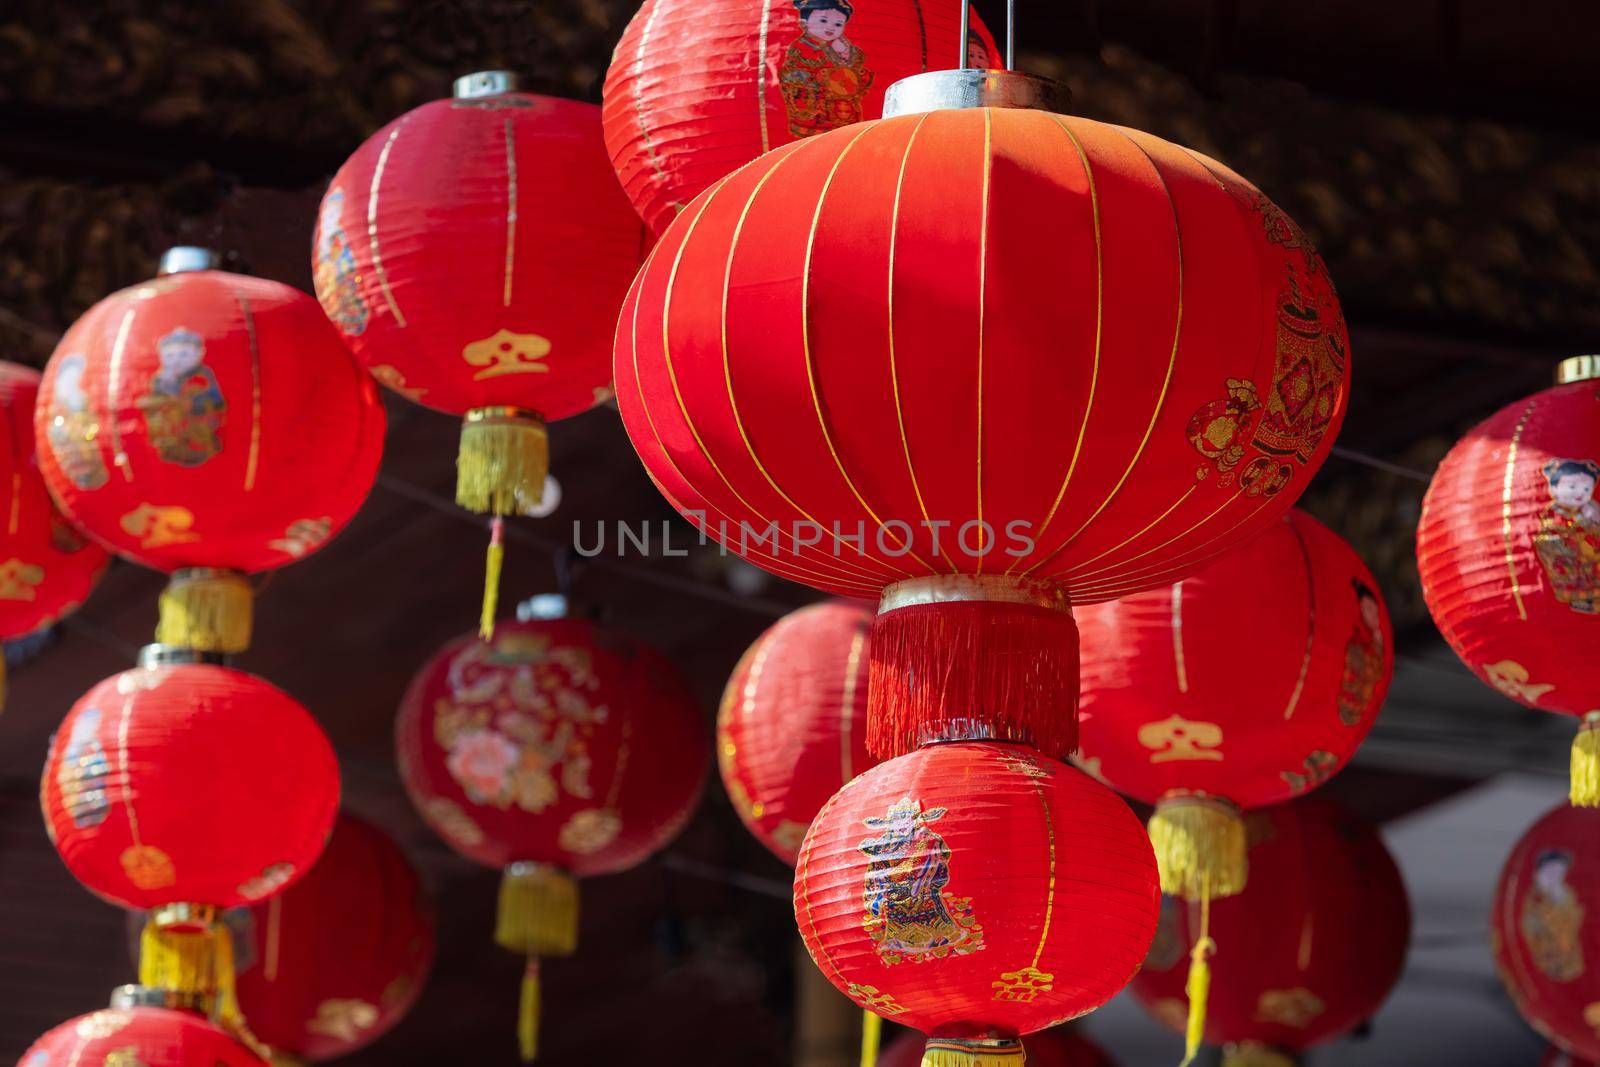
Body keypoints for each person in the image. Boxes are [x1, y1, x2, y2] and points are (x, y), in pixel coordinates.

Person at [779, 0, 874, 138]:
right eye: (823, 21)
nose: (831, 27)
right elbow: (793, 75)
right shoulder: (803, 47)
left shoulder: (843, 47)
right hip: (816, 105)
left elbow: (856, 71)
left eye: (838, 24)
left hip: (843, 104)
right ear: (804, 22)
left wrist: (845, 55)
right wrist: (820, 78)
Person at [1533, 458, 1600, 613]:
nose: (1580, 493)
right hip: (1568, 556)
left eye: (1586, 489)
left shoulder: (1591, 509)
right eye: (1572, 486)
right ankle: (1581, 600)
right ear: (1554, 489)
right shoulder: (1554, 512)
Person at [1338, 578, 1385, 725]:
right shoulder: (1355, 647)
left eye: (1374, 610)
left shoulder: (1373, 644)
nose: (1374, 615)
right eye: (1368, 609)